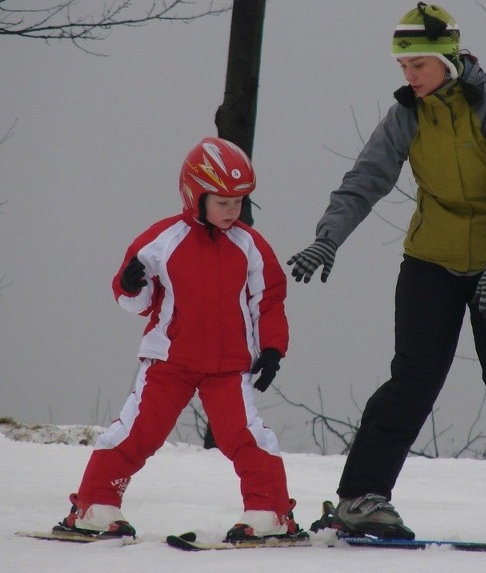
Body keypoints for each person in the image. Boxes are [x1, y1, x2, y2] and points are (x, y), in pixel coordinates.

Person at [288, 3, 486, 543]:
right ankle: (360, 497)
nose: (409, 77)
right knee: (414, 378)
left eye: (417, 65)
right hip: (430, 263)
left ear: (447, 59)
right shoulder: (407, 115)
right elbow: (365, 180)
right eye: (403, 68)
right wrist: (327, 237)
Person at [54, 137, 304, 542]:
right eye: (221, 202)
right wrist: (130, 284)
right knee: (137, 432)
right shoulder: (162, 239)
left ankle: (268, 512)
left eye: (239, 202)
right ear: (195, 195)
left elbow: (269, 301)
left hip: (227, 367)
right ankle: (95, 506)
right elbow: (135, 301)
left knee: (245, 436)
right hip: (169, 361)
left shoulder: (251, 246)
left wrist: (272, 349)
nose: (231, 211)